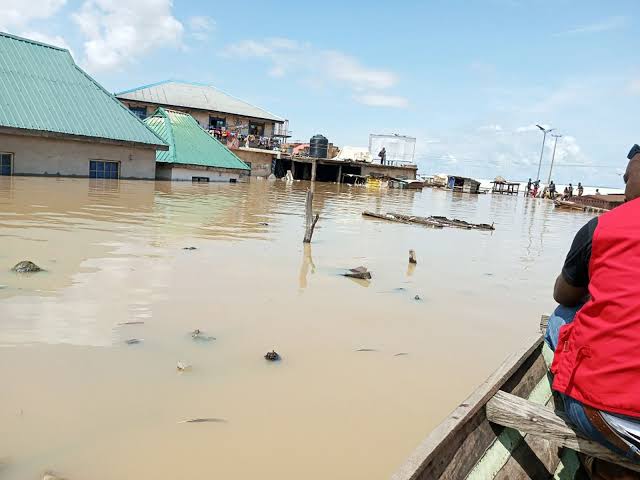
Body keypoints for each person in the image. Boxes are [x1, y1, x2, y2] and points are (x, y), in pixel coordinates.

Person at [545, 144, 640, 476]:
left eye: (627, 178)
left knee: (559, 318)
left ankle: (604, 466)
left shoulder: (604, 227)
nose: (625, 186)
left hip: (609, 418)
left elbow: (564, 294)